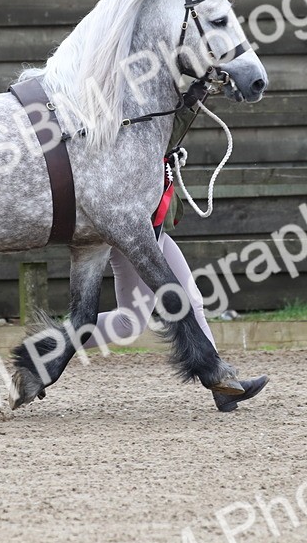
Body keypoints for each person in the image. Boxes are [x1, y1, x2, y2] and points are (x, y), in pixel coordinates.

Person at [84, 119, 269, 412]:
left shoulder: (149, 125)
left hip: (152, 230)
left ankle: (222, 385)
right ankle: (48, 350)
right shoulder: (132, 125)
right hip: (134, 235)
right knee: (129, 322)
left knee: (192, 299)